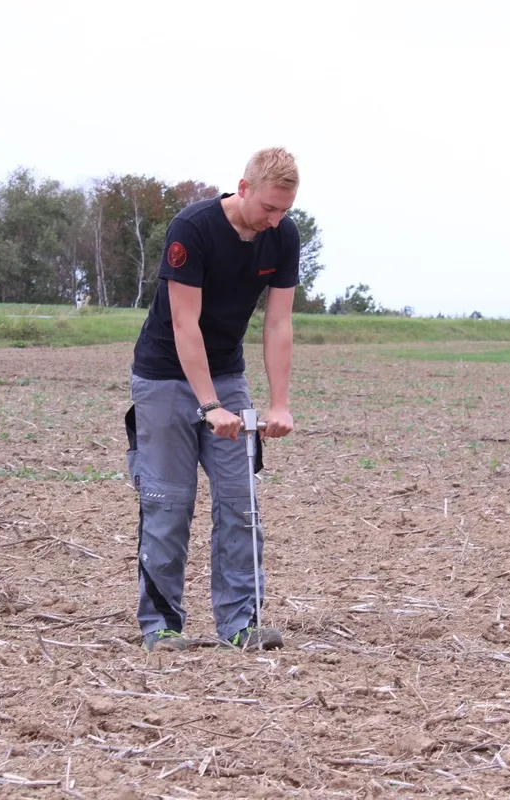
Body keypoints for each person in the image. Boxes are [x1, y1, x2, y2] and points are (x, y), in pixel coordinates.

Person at [124, 147, 300, 652]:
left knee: (240, 502)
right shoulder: (193, 228)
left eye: (284, 210)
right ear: (243, 189)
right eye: (268, 208)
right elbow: (184, 324)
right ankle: (162, 628)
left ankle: (241, 625)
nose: (275, 220)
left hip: (226, 374)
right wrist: (208, 407)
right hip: (164, 376)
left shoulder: (283, 236)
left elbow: (279, 322)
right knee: (168, 503)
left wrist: (280, 402)